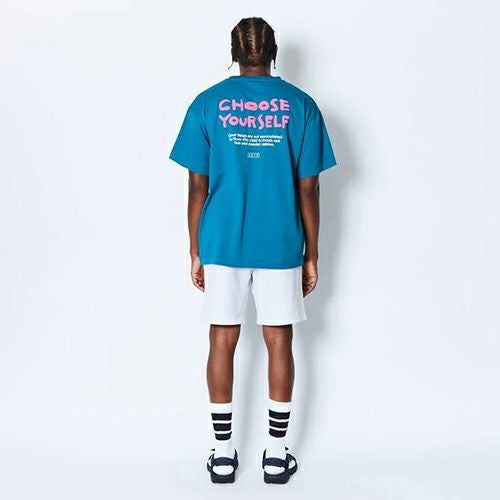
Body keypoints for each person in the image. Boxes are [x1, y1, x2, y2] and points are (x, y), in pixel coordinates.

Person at [169, 17, 337, 484]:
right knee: (279, 339)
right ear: (273, 52)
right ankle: (276, 455)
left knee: (222, 339)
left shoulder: (207, 104)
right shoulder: (301, 106)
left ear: (234, 53)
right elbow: (309, 188)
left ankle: (223, 455)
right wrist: (311, 253)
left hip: (221, 239)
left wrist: (195, 249)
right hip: (280, 240)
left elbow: (197, 186)